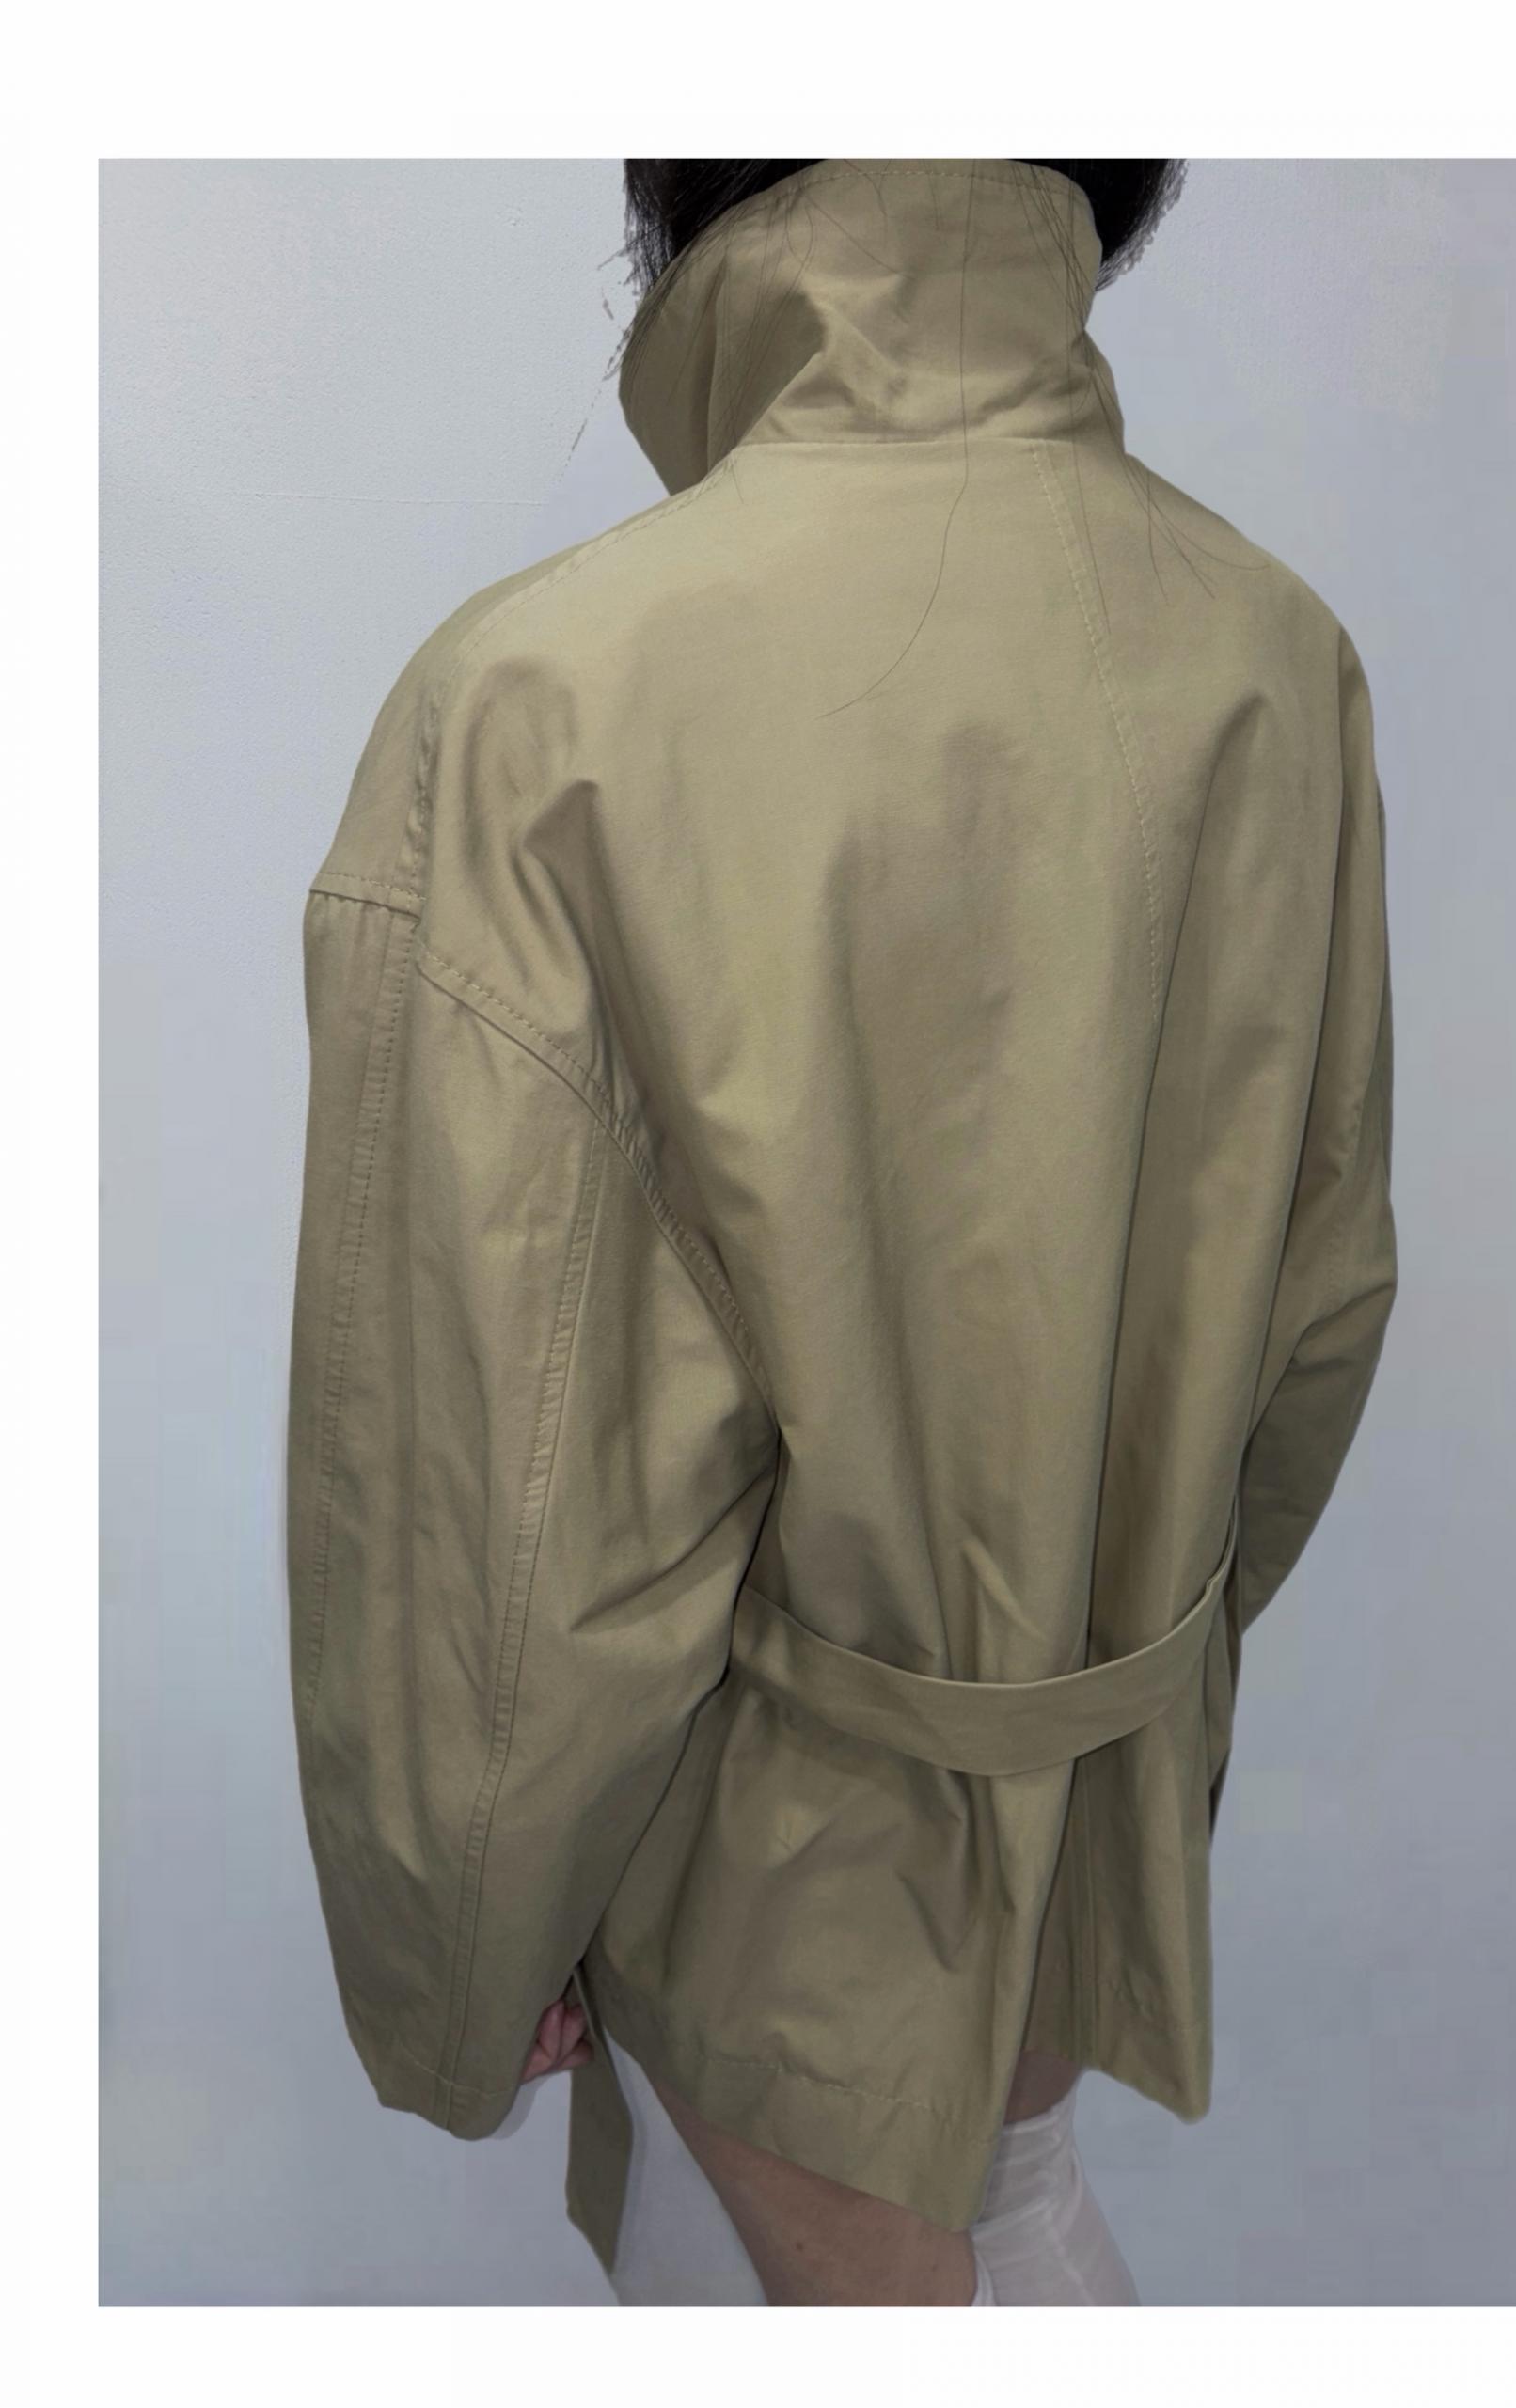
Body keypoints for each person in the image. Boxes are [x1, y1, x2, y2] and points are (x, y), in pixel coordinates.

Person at [284, 156, 1398, 2307]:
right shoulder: (1273, 655)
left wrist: (461, 1960)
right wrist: (1111, 1688)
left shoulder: (542, 705)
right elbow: (1318, 1309)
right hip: (1093, 1778)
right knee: (1019, 2207)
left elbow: (488, 1512)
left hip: (763, 1891)